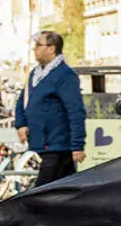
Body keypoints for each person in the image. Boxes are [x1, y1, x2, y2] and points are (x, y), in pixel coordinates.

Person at [15, 30, 86, 186]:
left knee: (43, 190)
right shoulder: (35, 73)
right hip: (43, 143)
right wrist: (20, 123)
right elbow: (23, 100)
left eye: (39, 45)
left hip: (58, 144)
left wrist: (77, 146)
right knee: (62, 190)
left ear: (51, 49)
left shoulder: (65, 75)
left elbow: (76, 111)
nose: (35, 49)